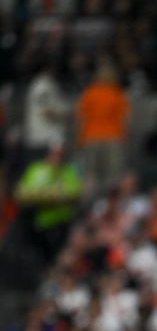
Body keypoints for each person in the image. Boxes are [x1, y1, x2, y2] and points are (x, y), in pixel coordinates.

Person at [15, 142, 83, 259]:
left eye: (60, 155)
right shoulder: (36, 169)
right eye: (54, 154)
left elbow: (74, 194)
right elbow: (24, 191)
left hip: (59, 222)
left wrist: (51, 195)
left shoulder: (68, 172)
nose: (57, 158)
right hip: (35, 220)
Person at [76, 63, 130, 196]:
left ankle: (88, 205)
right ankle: (109, 204)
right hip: (113, 137)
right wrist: (125, 136)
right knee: (113, 175)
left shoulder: (89, 92)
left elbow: (80, 117)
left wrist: (80, 138)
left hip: (91, 136)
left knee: (90, 174)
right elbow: (126, 118)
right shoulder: (117, 93)